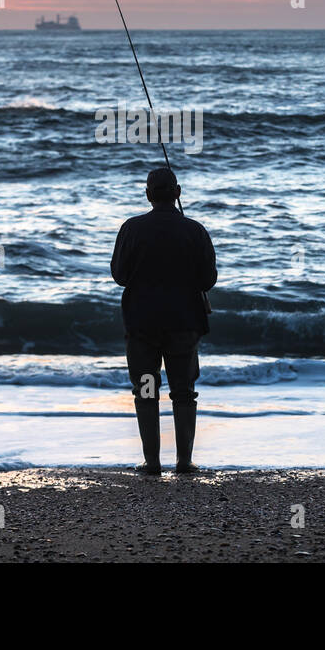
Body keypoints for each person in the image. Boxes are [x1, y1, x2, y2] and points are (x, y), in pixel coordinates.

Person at [110, 166, 217, 475]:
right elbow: (208, 279)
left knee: (145, 389)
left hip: (142, 324)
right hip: (184, 323)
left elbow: (119, 276)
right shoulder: (194, 231)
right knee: (184, 392)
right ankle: (184, 462)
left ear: (147, 195)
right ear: (178, 193)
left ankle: (152, 462)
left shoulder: (131, 228)